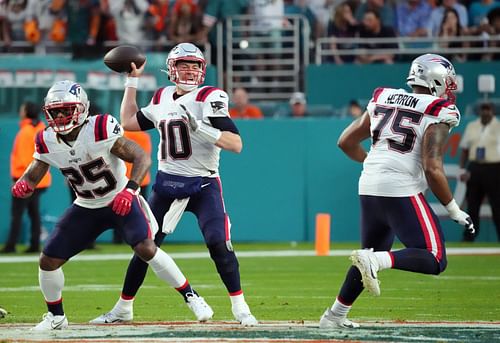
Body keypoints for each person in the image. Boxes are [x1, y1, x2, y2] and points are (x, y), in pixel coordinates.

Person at [12, 80, 213, 331]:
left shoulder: (99, 128)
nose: (61, 116)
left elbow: (140, 156)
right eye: (56, 111)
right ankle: (56, 316)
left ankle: (191, 295)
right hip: (86, 205)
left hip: (120, 199)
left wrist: (130, 190)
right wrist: (25, 183)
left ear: (82, 109)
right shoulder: (46, 139)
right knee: (48, 260)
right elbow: (36, 169)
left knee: (146, 248)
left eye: (66, 110)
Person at [91, 42, 258, 326]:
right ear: (171, 69)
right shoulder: (161, 97)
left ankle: (240, 307)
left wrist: (201, 128)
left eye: (195, 65)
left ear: (203, 69)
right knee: (144, 246)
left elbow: (237, 144)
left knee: (219, 242)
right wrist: (131, 80)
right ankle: (123, 308)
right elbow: (128, 121)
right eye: (184, 65)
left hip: (203, 184)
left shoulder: (211, 96)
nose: (190, 70)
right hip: (167, 184)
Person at [319, 54, 475, 329]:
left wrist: (373, 162)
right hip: (400, 187)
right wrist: (454, 209)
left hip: (368, 184)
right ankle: (375, 261)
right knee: (434, 256)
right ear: (437, 80)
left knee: (371, 251)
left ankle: (334, 316)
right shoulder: (439, 109)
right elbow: (432, 167)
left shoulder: (384, 96)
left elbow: (345, 142)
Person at [2, 101, 51, 254]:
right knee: (34, 213)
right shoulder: (42, 129)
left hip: (27, 180)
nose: (20, 111)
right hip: (42, 181)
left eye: (22, 109)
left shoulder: (25, 132)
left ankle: (11, 245)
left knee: (17, 214)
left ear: (26, 112)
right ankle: (35, 244)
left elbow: (25, 161)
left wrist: (20, 181)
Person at [458, 102, 500, 242]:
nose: (485, 112)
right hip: (475, 167)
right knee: (472, 205)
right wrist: (463, 169)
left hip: (494, 167)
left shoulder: (498, 126)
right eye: (483, 110)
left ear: (492, 111)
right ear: (480, 111)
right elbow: (465, 149)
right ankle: (469, 237)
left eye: (488, 110)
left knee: (497, 205)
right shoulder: (472, 126)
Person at [113, 130, 153, 243]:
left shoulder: (121, 134)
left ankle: (118, 238)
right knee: (139, 211)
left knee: (118, 210)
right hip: (141, 178)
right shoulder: (144, 136)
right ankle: (140, 237)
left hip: (124, 178)